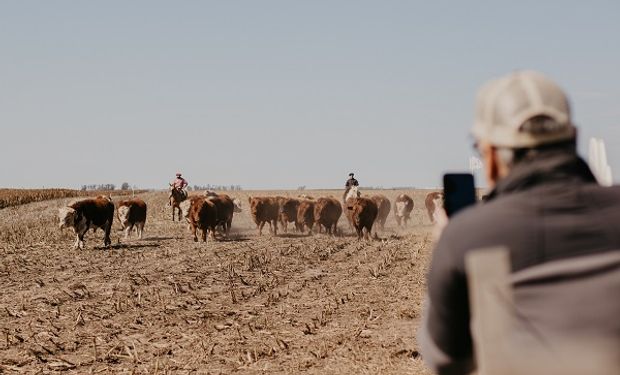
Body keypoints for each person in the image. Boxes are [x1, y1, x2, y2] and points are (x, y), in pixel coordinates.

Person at [418, 71, 620, 374]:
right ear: (573, 138)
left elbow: (445, 360)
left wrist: (448, 245)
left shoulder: (467, 236)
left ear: (491, 154)